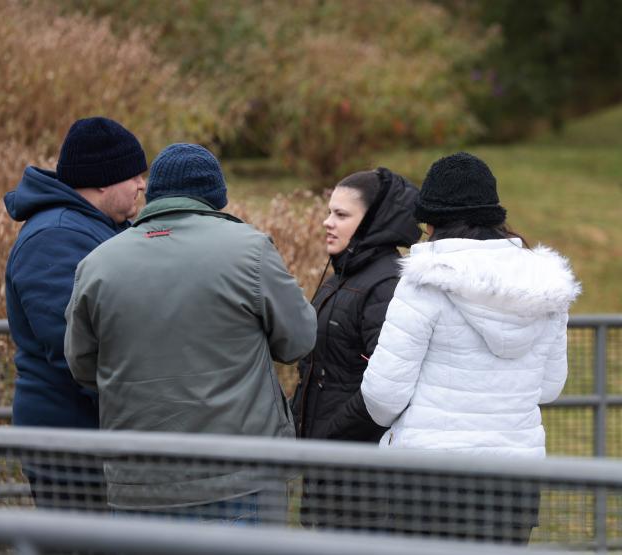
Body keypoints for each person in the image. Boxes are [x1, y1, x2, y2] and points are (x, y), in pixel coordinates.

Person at [64, 143, 317, 523]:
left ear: (154, 193)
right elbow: (298, 340)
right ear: (216, 197)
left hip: (138, 482)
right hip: (239, 475)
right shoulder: (249, 250)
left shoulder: (97, 264)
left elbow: (82, 364)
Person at [359, 152, 581, 543]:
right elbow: (549, 387)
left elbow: (382, 397)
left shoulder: (423, 282)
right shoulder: (546, 285)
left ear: (430, 221)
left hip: (429, 480)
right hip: (514, 480)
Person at [4, 116, 148, 510]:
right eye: (134, 175)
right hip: (70, 444)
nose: (141, 185)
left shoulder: (91, 228)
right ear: (104, 179)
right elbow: (75, 347)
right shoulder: (56, 237)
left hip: (91, 436)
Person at [291, 168, 420, 529]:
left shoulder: (386, 286)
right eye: (329, 211)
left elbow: (391, 386)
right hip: (330, 470)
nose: (326, 222)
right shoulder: (342, 277)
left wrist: (330, 434)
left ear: (372, 223)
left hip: (365, 480)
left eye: (341, 215)